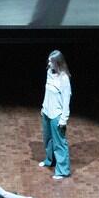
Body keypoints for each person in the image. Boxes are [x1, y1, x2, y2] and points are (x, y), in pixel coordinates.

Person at [39, 49, 73, 179]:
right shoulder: (49, 72)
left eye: (51, 61)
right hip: (47, 112)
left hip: (57, 115)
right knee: (47, 139)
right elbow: (47, 92)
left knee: (59, 143)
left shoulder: (64, 79)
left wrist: (63, 119)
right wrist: (44, 106)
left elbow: (66, 100)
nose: (48, 63)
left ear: (57, 63)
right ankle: (50, 160)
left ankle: (63, 171)